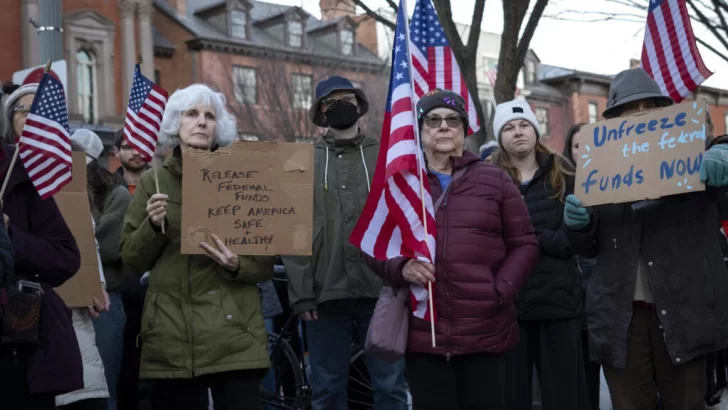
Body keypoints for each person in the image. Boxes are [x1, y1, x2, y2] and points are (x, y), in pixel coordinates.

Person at [563, 68, 728, 410]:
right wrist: (578, 225)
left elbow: (721, 197)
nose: (638, 116)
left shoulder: (691, 155)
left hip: (683, 312)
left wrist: (723, 153)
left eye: (648, 107)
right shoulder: (598, 170)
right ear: (613, 120)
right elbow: (587, 247)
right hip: (620, 318)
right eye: (628, 110)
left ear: (663, 113)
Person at [366, 89, 540, 410]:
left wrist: (501, 290)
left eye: (452, 120)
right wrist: (400, 267)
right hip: (424, 335)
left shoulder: (496, 180)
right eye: (433, 120)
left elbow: (524, 244)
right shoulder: (402, 182)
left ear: (464, 129)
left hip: (485, 331)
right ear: (420, 130)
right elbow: (373, 243)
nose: (443, 126)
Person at [121, 83, 276, 410]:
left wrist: (237, 265)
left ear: (219, 127)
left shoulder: (244, 178)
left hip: (233, 333)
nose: (202, 122)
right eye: (192, 114)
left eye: (209, 115)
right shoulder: (154, 181)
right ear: (176, 123)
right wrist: (152, 226)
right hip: (173, 335)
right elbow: (131, 260)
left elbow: (264, 263)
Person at [282, 75, 409, 410]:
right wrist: (301, 293)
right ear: (321, 111)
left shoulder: (385, 154)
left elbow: (405, 214)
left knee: (391, 386)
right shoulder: (302, 161)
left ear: (359, 105)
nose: (341, 106)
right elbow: (292, 227)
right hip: (325, 293)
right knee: (328, 391)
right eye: (332, 101)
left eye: (347, 99)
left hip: (382, 288)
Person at [489, 100, 588, 410]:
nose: (518, 132)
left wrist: (532, 239)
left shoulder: (565, 174)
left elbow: (575, 240)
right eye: (509, 127)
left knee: (565, 396)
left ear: (535, 130)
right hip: (508, 308)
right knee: (511, 396)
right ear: (500, 137)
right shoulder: (488, 180)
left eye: (524, 125)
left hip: (558, 303)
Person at [0, 83, 84, 408]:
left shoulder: (23, 176)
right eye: (24, 109)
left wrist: (10, 234)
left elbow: (66, 258)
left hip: (18, 346)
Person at [71, 129, 132, 410]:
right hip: (70, 300)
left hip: (105, 301)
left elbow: (109, 246)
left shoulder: (117, 195)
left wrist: (74, 240)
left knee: (104, 389)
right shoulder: (67, 192)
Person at [112, 129, 153, 410]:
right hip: (120, 288)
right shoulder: (104, 187)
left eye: (140, 145)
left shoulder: (163, 183)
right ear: (116, 152)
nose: (135, 151)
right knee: (124, 367)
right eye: (127, 146)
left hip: (157, 289)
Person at [562, 122, 601, 410]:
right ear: (570, 151)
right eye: (578, 145)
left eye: (591, 143)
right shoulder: (559, 186)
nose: (585, 151)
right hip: (575, 294)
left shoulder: (627, 182)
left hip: (611, 291)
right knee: (584, 377)